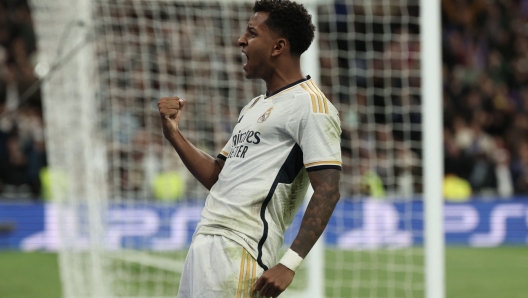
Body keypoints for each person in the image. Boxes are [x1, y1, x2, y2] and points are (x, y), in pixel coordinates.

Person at [157, 0, 342, 297]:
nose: (241, 40)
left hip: (243, 249)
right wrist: (173, 134)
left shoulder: (312, 106)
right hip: (206, 242)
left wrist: (289, 263)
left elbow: (328, 189)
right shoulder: (254, 107)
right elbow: (218, 175)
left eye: (252, 33)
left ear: (278, 46)